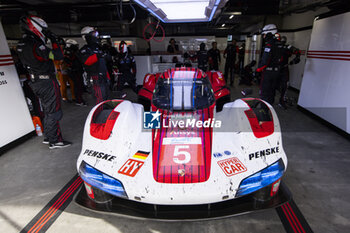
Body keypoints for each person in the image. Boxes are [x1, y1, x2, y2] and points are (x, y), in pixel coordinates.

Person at [17, 15, 71, 149]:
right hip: (46, 82)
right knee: (54, 111)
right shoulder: (36, 45)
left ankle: (49, 136)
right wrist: (53, 40)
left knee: (47, 110)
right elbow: (58, 56)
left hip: (35, 82)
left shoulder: (22, 43)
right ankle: (55, 141)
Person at [78, 26, 110, 104]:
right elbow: (86, 61)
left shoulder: (98, 48)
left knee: (106, 98)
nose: (96, 36)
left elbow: (104, 64)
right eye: (93, 34)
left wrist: (108, 77)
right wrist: (98, 55)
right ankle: (99, 114)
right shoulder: (85, 50)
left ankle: (105, 114)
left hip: (103, 76)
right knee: (100, 100)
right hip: (95, 77)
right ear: (87, 36)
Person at [256, 24, 284, 105]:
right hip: (277, 72)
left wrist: (258, 70)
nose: (264, 37)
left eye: (264, 35)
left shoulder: (269, 45)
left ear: (269, 33)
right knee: (272, 92)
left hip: (268, 73)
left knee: (264, 93)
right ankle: (270, 109)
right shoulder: (280, 44)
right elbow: (282, 59)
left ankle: (263, 111)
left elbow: (265, 61)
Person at [278, 36, 301, 109]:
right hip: (277, 69)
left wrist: (294, 60)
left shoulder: (287, 47)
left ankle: (281, 101)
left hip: (282, 68)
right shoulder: (277, 46)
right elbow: (298, 52)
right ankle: (277, 100)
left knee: (284, 85)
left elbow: (297, 52)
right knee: (275, 85)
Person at [64, 39, 86, 106]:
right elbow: (70, 62)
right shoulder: (69, 53)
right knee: (77, 86)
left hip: (78, 71)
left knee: (80, 86)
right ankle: (78, 100)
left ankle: (79, 99)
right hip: (74, 72)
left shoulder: (74, 53)